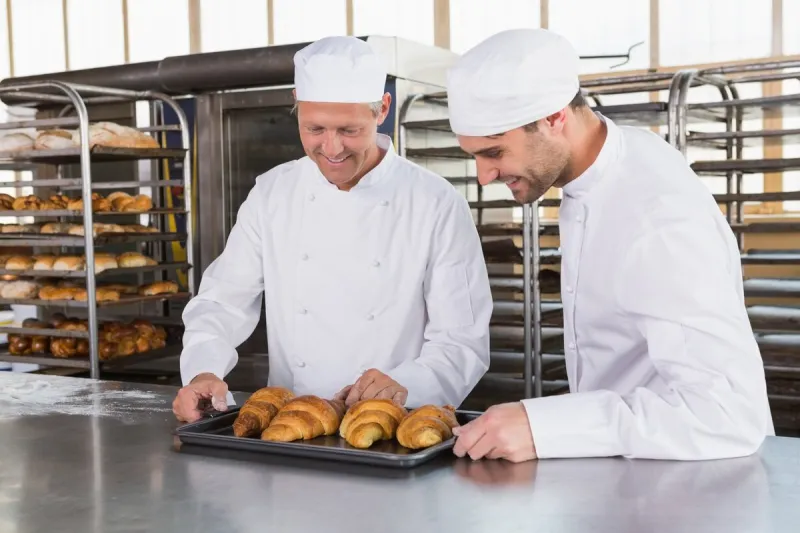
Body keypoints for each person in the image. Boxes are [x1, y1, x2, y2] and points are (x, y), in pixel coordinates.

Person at [446, 28, 774, 462]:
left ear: (554, 118)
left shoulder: (658, 217)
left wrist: (545, 426)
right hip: (631, 474)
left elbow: (727, 414)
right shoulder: (598, 170)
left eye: (494, 152)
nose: (484, 176)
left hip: (696, 483)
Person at [172, 36, 492, 423]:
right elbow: (223, 301)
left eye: (349, 130)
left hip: (392, 423)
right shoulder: (273, 192)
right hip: (291, 424)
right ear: (297, 105)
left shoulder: (435, 201)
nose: (332, 148)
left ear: (382, 110)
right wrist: (203, 369)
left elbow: (461, 342)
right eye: (315, 128)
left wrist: (407, 384)